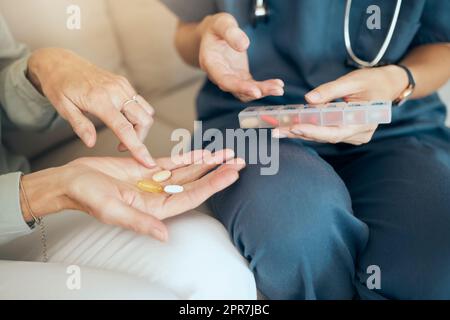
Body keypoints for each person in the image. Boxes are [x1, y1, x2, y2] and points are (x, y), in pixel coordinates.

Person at [163, 0, 450, 299]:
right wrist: (205, 35)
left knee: (437, 251)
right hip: (253, 123)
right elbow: (186, 33)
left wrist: (398, 81)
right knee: (295, 230)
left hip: (394, 122)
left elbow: (442, 45)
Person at [0, 13, 256, 299]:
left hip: (20, 201)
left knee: (215, 264)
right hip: (22, 200)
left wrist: (42, 68)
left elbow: (4, 85)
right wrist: (41, 192)